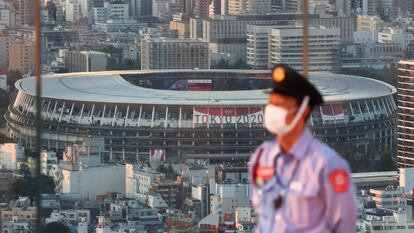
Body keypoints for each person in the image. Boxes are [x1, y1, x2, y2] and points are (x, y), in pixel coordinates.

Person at [249, 65, 358, 233]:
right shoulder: (262, 158)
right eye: (271, 103)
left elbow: (345, 225)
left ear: (303, 110)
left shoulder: (327, 164)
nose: (272, 109)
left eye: (281, 104)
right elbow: (263, 218)